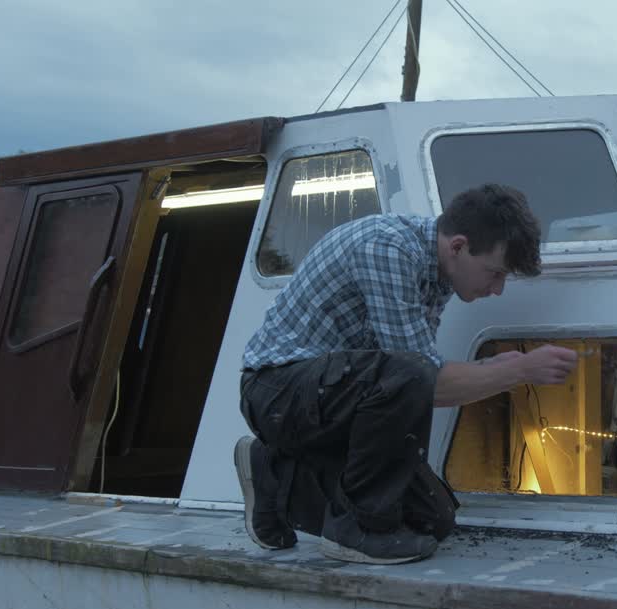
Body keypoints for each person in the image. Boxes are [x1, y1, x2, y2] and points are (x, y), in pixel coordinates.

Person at [236, 184, 578, 564]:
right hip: (276, 391)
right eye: (494, 273)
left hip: (328, 402)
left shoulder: (438, 273)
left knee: (433, 520)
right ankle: (355, 532)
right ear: (458, 247)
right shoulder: (386, 248)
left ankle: (272, 472)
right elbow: (419, 379)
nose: (496, 289)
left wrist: (494, 367)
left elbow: (419, 376)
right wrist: (520, 371)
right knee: (409, 375)